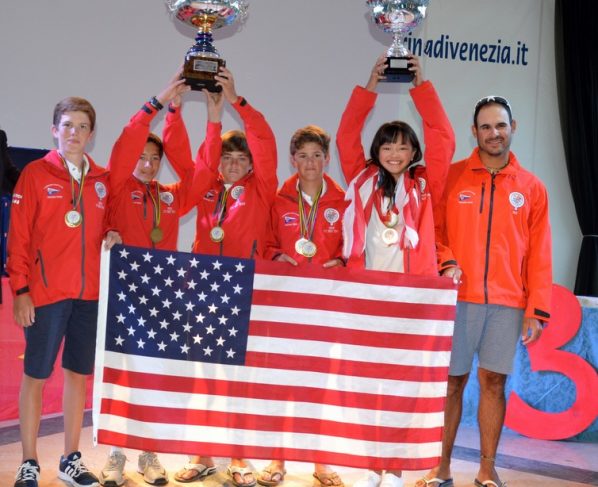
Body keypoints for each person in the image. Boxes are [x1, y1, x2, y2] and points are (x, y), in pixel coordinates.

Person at [417, 96, 552, 487]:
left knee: (494, 383)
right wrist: (446, 261)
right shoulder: (451, 177)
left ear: (513, 127)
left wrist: (536, 309)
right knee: (452, 383)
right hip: (458, 300)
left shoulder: (532, 188)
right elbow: (433, 232)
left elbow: (540, 253)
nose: (495, 133)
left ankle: (487, 469)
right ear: (474, 132)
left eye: (501, 125)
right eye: (487, 127)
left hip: (507, 304)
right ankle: (441, 467)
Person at [336, 56, 455, 487]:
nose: (394, 153)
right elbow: (346, 134)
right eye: (387, 146)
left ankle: (396, 468)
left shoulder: (425, 185)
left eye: (403, 146)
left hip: (411, 298)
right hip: (367, 294)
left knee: (403, 384)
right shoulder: (360, 179)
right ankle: (372, 465)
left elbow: (444, 136)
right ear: (377, 151)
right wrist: (370, 84)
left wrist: (422, 87)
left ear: (414, 153)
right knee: (370, 382)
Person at [163, 66, 278, 486]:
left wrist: (235, 101)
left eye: (241, 159)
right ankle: (203, 454)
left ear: (251, 164)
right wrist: (179, 111)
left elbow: (264, 139)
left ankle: (240, 456)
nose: (233, 164)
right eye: (227, 157)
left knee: (240, 378)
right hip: (202, 290)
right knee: (203, 376)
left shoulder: (262, 188)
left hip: (245, 291)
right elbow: (183, 153)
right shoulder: (204, 187)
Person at [8, 97, 121, 487]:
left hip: (89, 296)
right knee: (36, 375)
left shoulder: (102, 179)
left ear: (91, 134)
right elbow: (19, 237)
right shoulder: (35, 174)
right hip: (45, 293)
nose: (75, 132)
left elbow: (110, 222)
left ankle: (70, 458)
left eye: (82, 126)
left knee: (78, 375)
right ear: (54, 130)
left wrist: (113, 231)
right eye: (68, 125)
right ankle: (28, 461)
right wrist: (21, 290)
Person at [99, 76, 198, 486]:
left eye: (155, 158)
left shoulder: (170, 196)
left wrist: (175, 113)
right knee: (120, 376)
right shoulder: (116, 187)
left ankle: (149, 452)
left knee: (153, 377)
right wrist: (158, 101)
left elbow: (194, 172)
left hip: (162, 299)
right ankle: (116, 454)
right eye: (141, 157)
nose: (147, 163)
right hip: (123, 298)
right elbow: (126, 141)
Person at [259, 125, 347, 487]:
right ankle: (277, 457)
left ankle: (320, 460)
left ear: (327, 159)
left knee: (318, 384)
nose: (310, 163)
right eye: (303, 156)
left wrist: (344, 262)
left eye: (317, 155)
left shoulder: (343, 202)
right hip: (285, 305)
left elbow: (354, 247)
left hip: (325, 306)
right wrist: (275, 255)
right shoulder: (278, 200)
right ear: (292, 160)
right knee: (282, 382)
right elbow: (265, 243)